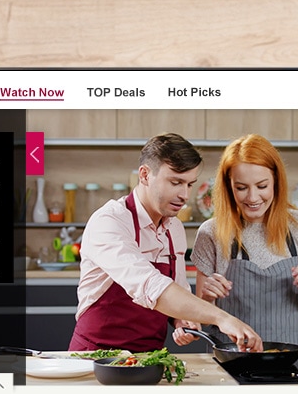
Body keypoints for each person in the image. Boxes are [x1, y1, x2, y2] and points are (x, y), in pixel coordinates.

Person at [69, 133, 263, 353]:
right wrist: (223, 318)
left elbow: (176, 291)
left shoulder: (174, 228)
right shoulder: (110, 221)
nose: (184, 195)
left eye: (190, 184)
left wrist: (182, 320)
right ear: (145, 175)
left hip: (150, 357)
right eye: (175, 182)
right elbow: (150, 285)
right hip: (95, 356)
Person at [177, 134, 298, 350]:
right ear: (228, 186)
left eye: (262, 186)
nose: (252, 198)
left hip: (287, 361)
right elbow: (202, 319)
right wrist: (206, 298)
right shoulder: (211, 232)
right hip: (230, 361)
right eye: (241, 188)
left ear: (276, 182)